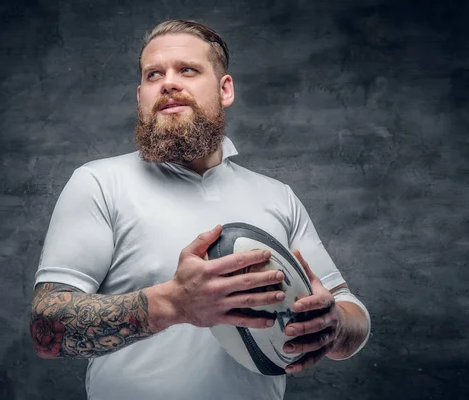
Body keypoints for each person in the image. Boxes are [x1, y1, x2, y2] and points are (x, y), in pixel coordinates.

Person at [30, 19, 371, 400]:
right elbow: (47, 330)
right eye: (154, 74)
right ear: (140, 96)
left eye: (187, 70)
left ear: (225, 89)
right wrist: (174, 304)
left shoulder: (277, 197)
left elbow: (350, 310)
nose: (168, 83)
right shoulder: (98, 183)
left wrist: (334, 325)